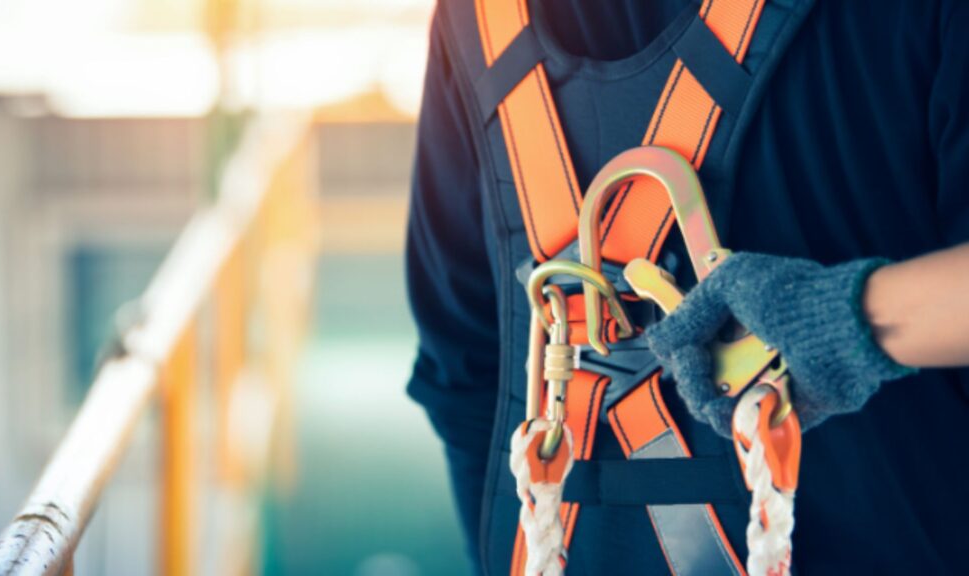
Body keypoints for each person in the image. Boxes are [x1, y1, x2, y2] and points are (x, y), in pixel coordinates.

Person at [405, 0, 969, 573]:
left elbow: (461, 373)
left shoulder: (478, 22)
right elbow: (462, 369)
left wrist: (845, 319)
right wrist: (865, 318)